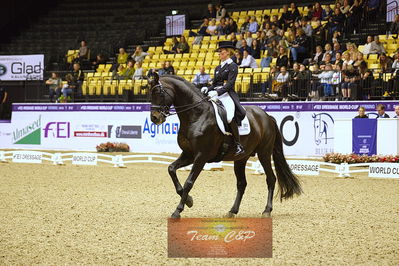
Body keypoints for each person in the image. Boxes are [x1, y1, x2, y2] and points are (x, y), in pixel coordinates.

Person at [200, 41, 246, 155]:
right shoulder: (217, 67)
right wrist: (208, 88)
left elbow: (230, 84)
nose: (219, 53)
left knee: (229, 117)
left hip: (227, 94)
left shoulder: (232, 66)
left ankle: (238, 145)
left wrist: (217, 92)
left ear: (227, 52)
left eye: (221, 51)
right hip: (215, 93)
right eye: (219, 52)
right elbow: (215, 83)